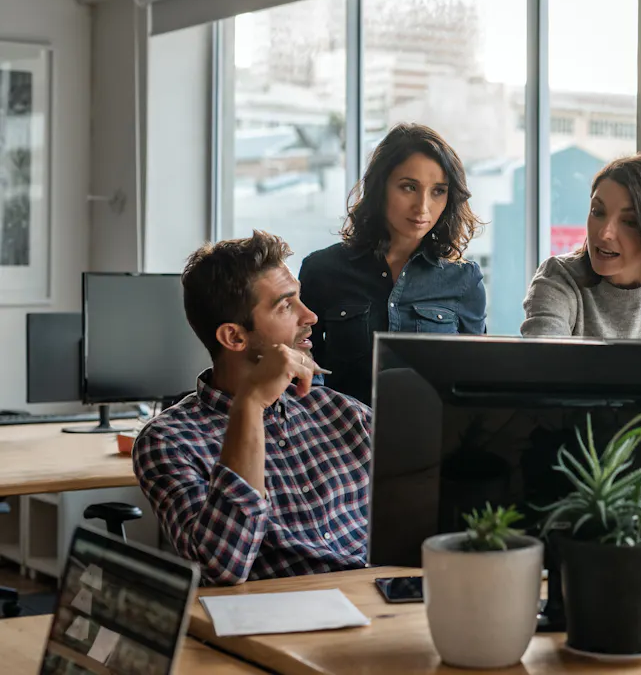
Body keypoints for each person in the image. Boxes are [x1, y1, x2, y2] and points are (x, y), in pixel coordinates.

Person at [133, 232, 371, 585]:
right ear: (234, 337)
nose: (311, 316)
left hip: (382, 609)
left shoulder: (343, 414)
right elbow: (222, 568)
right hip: (282, 622)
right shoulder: (169, 442)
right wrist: (251, 404)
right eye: (286, 306)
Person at [299, 123, 486, 405]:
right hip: (339, 442)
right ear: (380, 186)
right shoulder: (321, 270)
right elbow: (302, 368)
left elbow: (475, 383)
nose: (423, 207)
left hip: (431, 441)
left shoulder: (464, 279)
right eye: (409, 187)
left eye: (438, 191)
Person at [521, 153, 641, 339]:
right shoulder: (558, 279)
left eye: (630, 222)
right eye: (597, 212)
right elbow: (544, 362)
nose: (604, 233)